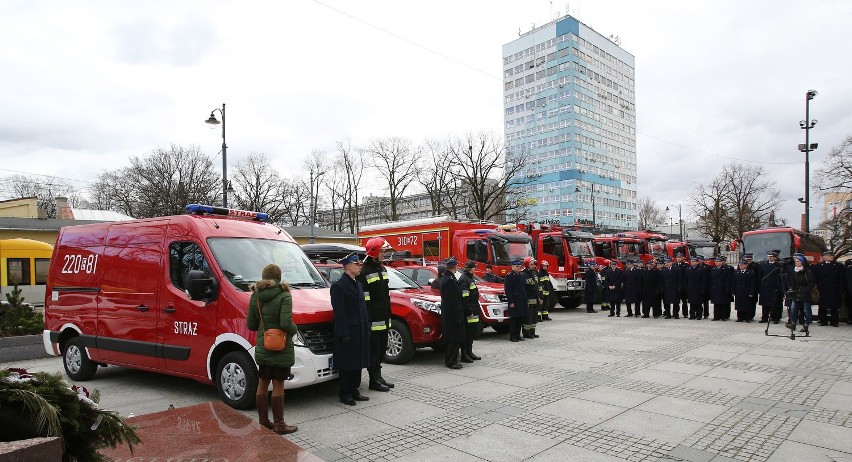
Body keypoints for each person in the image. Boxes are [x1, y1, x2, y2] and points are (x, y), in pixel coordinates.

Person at [246, 263, 299, 434]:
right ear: (278, 276)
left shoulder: (255, 296)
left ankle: (263, 422)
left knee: (262, 382)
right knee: (278, 384)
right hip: (280, 347)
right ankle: (279, 425)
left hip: (263, 345)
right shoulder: (284, 295)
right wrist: (295, 330)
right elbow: (285, 323)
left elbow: (251, 325)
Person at [330, 253, 371, 406]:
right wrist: (344, 332)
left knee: (358, 361)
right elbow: (339, 313)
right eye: (356, 263)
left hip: (360, 329)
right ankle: (345, 393)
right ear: (348, 266)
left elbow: (363, 308)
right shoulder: (339, 286)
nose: (360, 266)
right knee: (347, 363)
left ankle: (355, 390)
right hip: (348, 331)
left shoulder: (358, 284)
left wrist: (367, 327)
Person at [358, 238, 394, 392]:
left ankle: (378, 376)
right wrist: (369, 319)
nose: (384, 254)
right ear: (374, 252)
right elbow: (365, 300)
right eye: (382, 251)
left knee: (381, 350)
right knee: (374, 350)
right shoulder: (364, 272)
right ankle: (374, 380)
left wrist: (388, 314)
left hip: (384, 317)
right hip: (373, 319)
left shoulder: (382, 269)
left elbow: (385, 295)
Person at [439, 257, 465, 368]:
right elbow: (452, 302)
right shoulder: (449, 280)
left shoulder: (448, 277)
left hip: (450, 315)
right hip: (452, 316)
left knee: (453, 339)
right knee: (453, 339)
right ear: (455, 266)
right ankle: (451, 361)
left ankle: (452, 360)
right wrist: (457, 317)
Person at [458, 261, 482, 361]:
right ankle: (464, 354)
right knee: (467, 333)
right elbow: (465, 297)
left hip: (473, 309)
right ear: (471, 269)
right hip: (469, 311)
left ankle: (469, 352)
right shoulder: (464, 279)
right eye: (474, 268)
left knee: (471, 333)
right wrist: (469, 311)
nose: (475, 269)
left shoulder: (469, 278)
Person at [812, 250, 844, 327]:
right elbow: (815, 278)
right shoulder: (818, 266)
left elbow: (842, 279)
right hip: (822, 289)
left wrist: (841, 289)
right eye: (829, 255)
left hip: (834, 289)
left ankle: (834, 322)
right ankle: (823, 321)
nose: (831, 256)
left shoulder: (838, 266)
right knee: (822, 306)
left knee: (835, 306)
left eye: (832, 255)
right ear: (824, 257)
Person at [787, 255, 816, 332]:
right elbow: (792, 282)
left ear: (802, 262)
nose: (796, 263)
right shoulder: (794, 270)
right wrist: (791, 289)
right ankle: (793, 324)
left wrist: (806, 291)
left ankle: (806, 325)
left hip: (805, 294)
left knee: (807, 310)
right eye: (795, 261)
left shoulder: (808, 271)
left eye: (798, 261)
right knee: (793, 309)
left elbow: (811, 283)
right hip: (796, 293)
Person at [504, 259, 528, 342]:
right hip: (514, 300)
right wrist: (511, 302)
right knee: (514, 319)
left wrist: (526, 300)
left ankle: (518, 335)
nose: (518, 267)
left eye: (519, 266)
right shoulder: (509, 276)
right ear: (512, 267)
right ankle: (512, 336)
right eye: (516, 266)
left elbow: (524, 289)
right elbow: (508, 291)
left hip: (521, 300)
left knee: (520, 318)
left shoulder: (521, 276)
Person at [757, 251, 784, 324]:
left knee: (775, 304)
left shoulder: (778, 265)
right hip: (765, 287)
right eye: (769, 256)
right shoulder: (763, 264)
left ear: (775, 257)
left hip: (775, 287)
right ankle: (764, 317)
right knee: (765, 304)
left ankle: (776, 318)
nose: (769, 258)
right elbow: (760, 275)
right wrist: (760, 286)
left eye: (771, 257)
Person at [522, 257, 542, 338]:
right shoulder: (523, 274)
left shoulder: (535, 273)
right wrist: (525, 300)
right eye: (531, 264)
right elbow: (523, 289)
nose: (533, 266)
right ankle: (526, 333)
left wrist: (540, 297)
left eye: (534, 264)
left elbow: (538, 286)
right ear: (527, 265)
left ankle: (532, 332)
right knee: (528, 318)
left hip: (536, 299)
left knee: (534, 318)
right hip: (529, 300)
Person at [710, 256, 734, 321]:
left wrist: (728, 289)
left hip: (723, 288)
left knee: (723, 303)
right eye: (716, 261)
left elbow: (728, 280)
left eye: (718, 261)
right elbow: (711, 280)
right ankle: (716, 316)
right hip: (715, 288)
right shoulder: (713, 269)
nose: (716, 263)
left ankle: (724, 316)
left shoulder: (726, 269)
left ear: (721, 262)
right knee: (716, 303)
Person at [686, 256, 706, 320]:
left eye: (694, 261)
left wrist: (703, 289)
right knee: (691, 303)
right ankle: (692, 315)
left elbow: (703, 280)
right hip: (691, 288)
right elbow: (686, 279)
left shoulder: (702, 269)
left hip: (698, 288)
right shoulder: (688, 269)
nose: (692, 263)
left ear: (697, 262)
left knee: (698, 303)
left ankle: (699, 315)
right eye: (691, 261)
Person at [743, 253, 759, 320]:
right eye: (747, 259)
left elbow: (758, 276)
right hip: (743, 287)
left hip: (753, 286)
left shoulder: (756, 266)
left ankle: (750, 316)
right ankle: (743, 316)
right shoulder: (742, 265)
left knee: (752, 303)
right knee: (743, 302)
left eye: (749, 259)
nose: (748, 261)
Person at [675, 254, 690, 318]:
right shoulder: (674, 265)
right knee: (676, 301)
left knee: (684, 301)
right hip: (676, 286)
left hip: (683, 286)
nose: (678, 259)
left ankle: (685, 313)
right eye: (677, 257)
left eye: (680, 257)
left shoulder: (686, 265)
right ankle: (676, 313)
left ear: (682, 258)